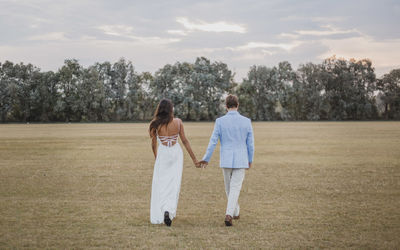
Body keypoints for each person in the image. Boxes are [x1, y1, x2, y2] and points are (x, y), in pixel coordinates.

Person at [200, 94, 254, 226]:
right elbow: (250, 144)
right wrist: (250, 159)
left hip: (226, 159)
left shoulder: (220, 121)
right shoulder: (246, 121)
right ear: (238, 105)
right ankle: (232, 213)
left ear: (226, 106)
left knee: (230, 188)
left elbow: (213, 142)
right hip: (241, 159)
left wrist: (206, 158)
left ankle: (232, 213)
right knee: (233, 188)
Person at [149, 99, 200, 226]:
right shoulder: (178, 122)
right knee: (174, 183)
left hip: (163, 153)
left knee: (161, 184)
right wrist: (194, 159)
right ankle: (168, 210)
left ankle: (163, 211)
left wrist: (157, 158)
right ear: (171, 109)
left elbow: (153, 144)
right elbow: (185, 141)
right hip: (176, 153)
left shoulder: (155, 124)